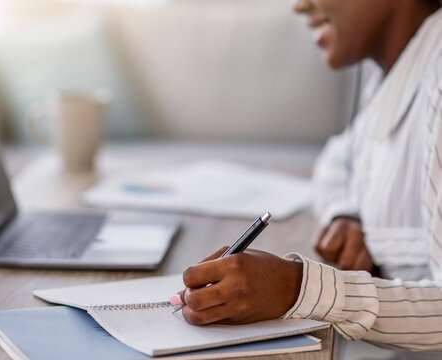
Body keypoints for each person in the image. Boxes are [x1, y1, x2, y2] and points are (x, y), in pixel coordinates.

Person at [176, 0, 442, 354]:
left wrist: (297, 289)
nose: (300, 5)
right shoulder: (391, 71)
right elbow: (336, 159)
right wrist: (346, 210)